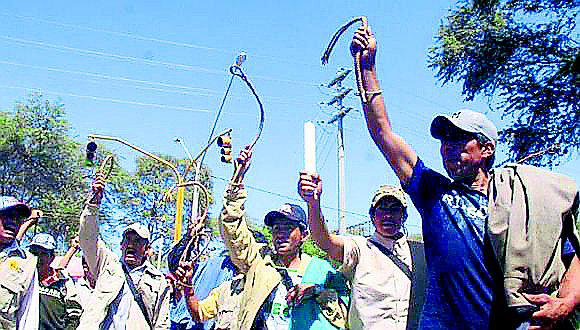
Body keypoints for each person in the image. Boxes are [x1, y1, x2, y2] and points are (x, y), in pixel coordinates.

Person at [349, 24, 579, 329]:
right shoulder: (434, 194)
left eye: (458, 140)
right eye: (444, 140)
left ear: (485, 149)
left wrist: (566, 302)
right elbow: (382, 133)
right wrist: (366, 67)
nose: (447, 148)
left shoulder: (525, 199)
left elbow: (574, 251)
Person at [218, 146, 349, 329]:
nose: (280, 233)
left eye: (288, 228)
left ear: (303, 235)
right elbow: (232, 228)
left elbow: (344, 309)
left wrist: (316, 291)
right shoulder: (258, 261)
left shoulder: (321, 270)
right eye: (276, 228)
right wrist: (237, 178)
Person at [299, 174, 412, 329]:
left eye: (394, 209)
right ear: (372, 216)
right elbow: (324, 241)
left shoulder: (418, 253)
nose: (388, 215)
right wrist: (313, 203)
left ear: (404, 216)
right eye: (382, 209)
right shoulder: (359, 248)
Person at [78, 173, 171, 329]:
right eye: (128, 240)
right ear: (121, 245)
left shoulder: (158, 281)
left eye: (137, 241)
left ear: (146, 249)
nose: (131, 245)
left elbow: (161, 323)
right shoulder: (107, 265)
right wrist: (93, 204)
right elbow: (88, 238)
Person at [28, 233, 83, 330]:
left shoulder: (63, 280)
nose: (38, 258)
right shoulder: (25, 277)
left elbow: (75, 312)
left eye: (43, 253)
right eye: (34, 253)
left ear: (52, 257)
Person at [0, 196, 36, 329]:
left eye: (18, 218)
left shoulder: (28, 262)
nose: (14, 221)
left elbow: (28, 316)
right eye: (8, 215)